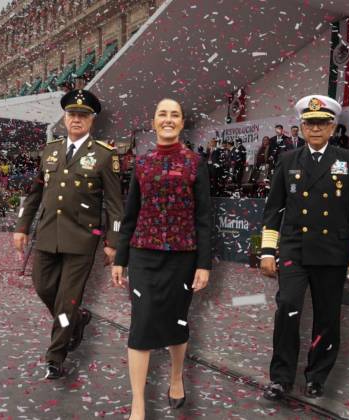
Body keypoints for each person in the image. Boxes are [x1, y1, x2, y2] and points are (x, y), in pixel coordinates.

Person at [260, 94, 349, 400]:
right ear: (302, 127)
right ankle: (281, 378)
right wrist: (268, 251)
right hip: (295, 248)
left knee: (327, 316)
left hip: (333, 252)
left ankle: (317, 376)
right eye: (310, 124)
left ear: (333, 127)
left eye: (322, 123)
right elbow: (273, 210)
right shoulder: (287, 161)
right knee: (287, 308)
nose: (316, 129)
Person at [111, 98, 212, 420]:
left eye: (174, 115)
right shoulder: (141, 163)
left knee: (176, 322)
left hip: (183, 254)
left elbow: (205, 217)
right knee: (141, 324)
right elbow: (130, 215)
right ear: (154, 122)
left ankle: (176, 376)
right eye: (162, 115)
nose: (168, 120)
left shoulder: (196, 163)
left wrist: (204, 263)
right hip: (143, 254)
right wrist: (120, 258)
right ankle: (138, 403)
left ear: (183, 123)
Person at [13, 89, 124, 380]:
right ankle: (76, 322)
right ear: (64, 117)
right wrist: (22, 226)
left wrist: (113, 242)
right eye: (72, 114)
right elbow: (34, 193)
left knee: (66, 301)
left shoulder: (104, 155)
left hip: (82, 240)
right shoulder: (50, 151)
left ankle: (55, 355)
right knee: (43, 287)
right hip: (48, 235)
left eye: (82, 116)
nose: (76, 119)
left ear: (92, 120)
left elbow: (115, 204)